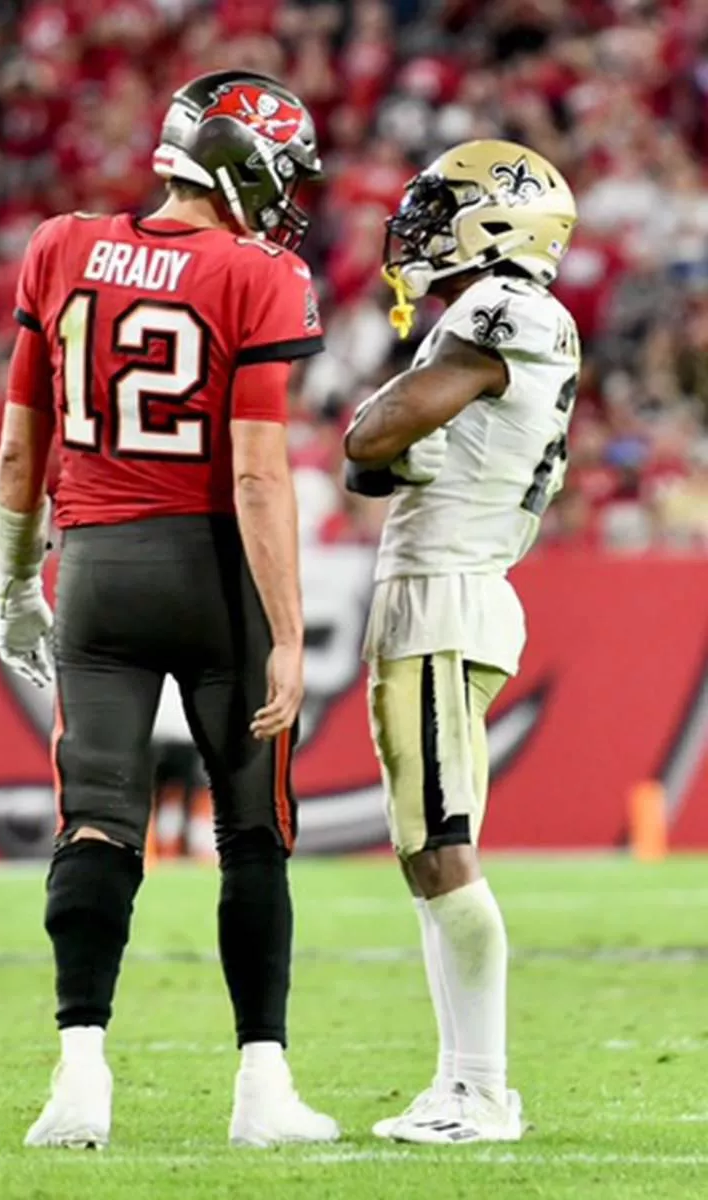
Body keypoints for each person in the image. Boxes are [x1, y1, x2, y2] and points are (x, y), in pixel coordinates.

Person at [0, 69, 340, 1151]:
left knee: (94, 817)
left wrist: (12, 583)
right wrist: (287, 631)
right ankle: (261, 1088)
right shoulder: (259, 272)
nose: (286, 195)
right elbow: (257, 476)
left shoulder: (59, 247)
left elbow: (18, 445)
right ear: (235, 161)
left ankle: (79, 1076)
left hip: (93, 569)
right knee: (251, 835)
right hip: (214, 574)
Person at [345, 140, 580, 1143]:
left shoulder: (499, 311)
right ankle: (463, 1083)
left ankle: (478, 1087)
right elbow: (394, 450)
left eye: (445, 205)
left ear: (497, 218)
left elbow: (371, 435)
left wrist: (379, 426)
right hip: (436, 593)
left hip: (446, 596)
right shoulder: (510, 316)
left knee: (440, 850)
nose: (421, 222)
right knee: (421, 851)